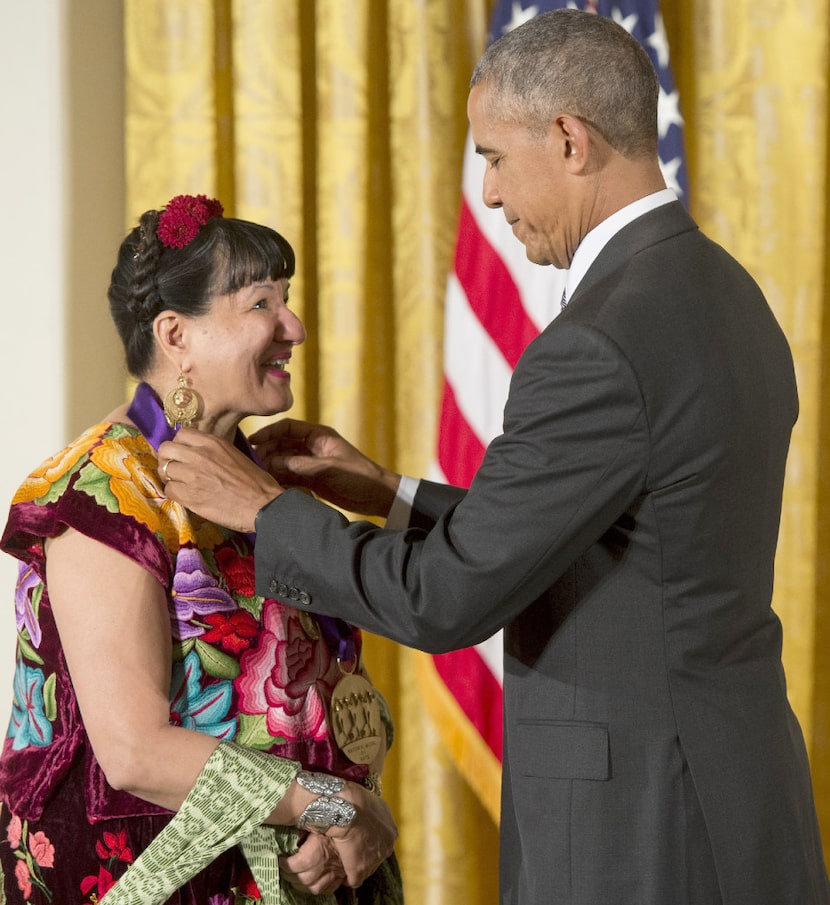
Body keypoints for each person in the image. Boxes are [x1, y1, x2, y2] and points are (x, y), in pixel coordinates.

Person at [158, 11, 830, 905]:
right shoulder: (723, 290)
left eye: (495, 158)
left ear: (568, 139)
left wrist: (265, 510)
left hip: (641, 828)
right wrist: (389, 492)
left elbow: (448, 597)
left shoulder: (600, 339)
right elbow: (621, 531)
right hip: (738, 793)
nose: (491, 195)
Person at [0, 194, 402, 905]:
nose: (294, 327)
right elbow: (134, 750)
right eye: (261, 304)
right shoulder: (104, 489)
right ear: (175, 334)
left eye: (289, 299)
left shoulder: (259, 478)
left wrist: (339, 829)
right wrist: (338, 807)